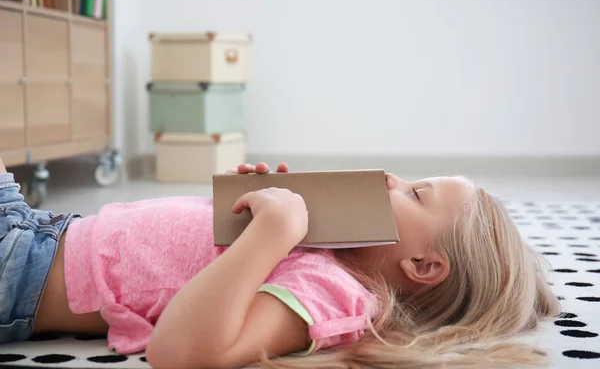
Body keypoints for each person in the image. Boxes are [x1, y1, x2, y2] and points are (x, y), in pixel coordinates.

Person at [0, 157, 560, 369]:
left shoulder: (335, 293)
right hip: (42, 228)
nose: (393, 178)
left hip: (23, 271)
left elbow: (184, 353)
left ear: (422, 266)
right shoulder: (324, 245)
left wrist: (270, 235)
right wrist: (250, 208)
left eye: (415, 194)